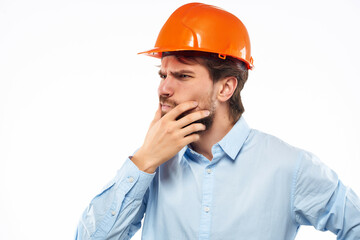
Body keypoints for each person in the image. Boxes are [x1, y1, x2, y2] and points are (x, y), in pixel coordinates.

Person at [75, 3, 360, 240]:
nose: (163, 89)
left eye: (182, 76)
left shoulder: (288, 167)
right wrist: (145, 161)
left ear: (225, 88)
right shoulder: (152, 168)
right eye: (163, 75)